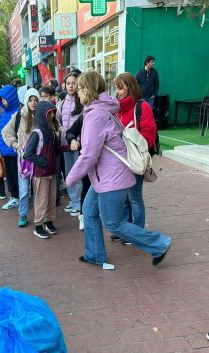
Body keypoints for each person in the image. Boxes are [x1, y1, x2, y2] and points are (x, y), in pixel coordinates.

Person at [65, 70, 171, 268]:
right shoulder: (99, 110)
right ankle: (95, 254)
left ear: (88, 90)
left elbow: (89, 155)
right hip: (105, 177)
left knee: (113, 223)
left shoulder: (95, 115)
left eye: (79, 88)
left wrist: (70, 179)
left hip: (111, 178)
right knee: (89, 211)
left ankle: (159, 244)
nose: (77, 92)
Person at [113, 72, 157, 235]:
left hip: (135, 159)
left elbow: (149, 135)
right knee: (123, 197)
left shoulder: (142, 106)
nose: (117, 92)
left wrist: (130, 139)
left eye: (120, 88)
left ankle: (137, 232)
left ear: (130, 88)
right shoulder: (116, 108)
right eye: (115, 88)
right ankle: (126, 229)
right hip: (120, 160)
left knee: (134, 197)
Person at [2, 88, 40, 227]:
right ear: (26, 101)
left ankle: (39, 214)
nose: (33, 103)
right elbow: (6, 132)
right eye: (30, 100)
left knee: (37, 189)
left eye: (36, 100)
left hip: (38, 159)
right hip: (24, 160)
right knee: (24, 190)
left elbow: (54, 127)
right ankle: (23, 214)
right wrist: (15, 144)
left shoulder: (42, 114)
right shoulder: (19, 115)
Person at [24, 101, 60, 239]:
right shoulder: (37, 133)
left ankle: (49, 222)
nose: (52, 116)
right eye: (50, 113)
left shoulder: (52, 133)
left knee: (51, 200)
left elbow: (56, 150)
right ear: (42, 115)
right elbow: (28, 153)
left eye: (53, 113)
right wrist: (43, 163)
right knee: (42, 200)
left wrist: (70, 146)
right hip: (41, 173)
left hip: (51, 172)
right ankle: (38, 226)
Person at [56, 71, 83, 217]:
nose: (71, 86)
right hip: (65, 144)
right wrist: (61, 130)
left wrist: (77, 139)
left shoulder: (82, 101)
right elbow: (57, 121)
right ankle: (73, 201)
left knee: (78, 174)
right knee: (69, 174)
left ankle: (79, 203)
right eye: (68, 83)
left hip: (78, 144)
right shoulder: (61, 103)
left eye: (74, 83)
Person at [0, 85, 20, 210]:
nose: (3, 102)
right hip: (6, 150)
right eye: (2, 99)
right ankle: (14, 197)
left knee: (17, 175)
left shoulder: (19, 112)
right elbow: (0, 133)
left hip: (15, 150)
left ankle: (19, 196)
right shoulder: (4, 113)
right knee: (10, 175)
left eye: (5, 99)